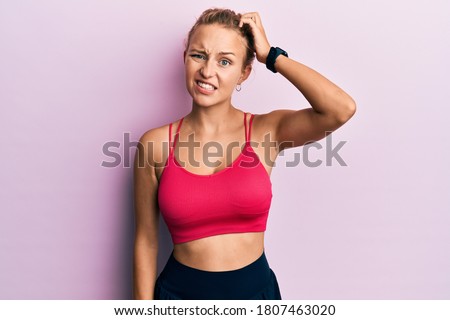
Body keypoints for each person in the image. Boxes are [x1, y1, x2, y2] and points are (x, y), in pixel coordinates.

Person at [133, 8, 356, 300]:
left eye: (225, 61)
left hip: (256, 296)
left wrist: (273, 57)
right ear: (185, 58)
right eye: (198, 55)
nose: (207, 71)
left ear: (244, 73)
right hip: (178, 297)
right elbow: (146, 242)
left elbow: (341, 109)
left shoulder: (267, 131)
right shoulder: (154, 145)